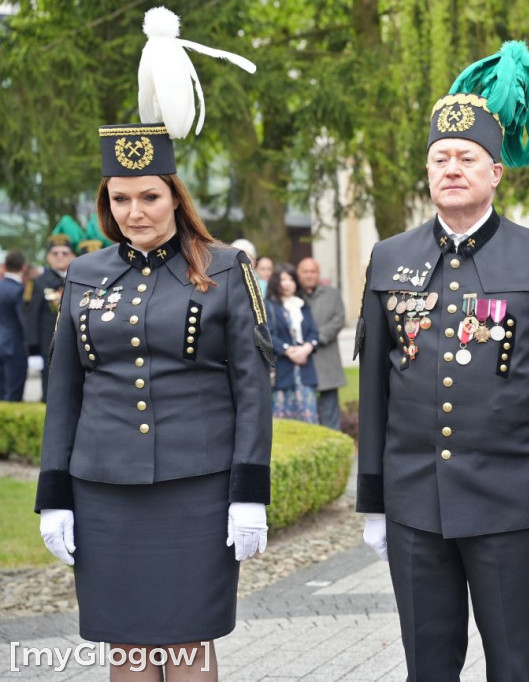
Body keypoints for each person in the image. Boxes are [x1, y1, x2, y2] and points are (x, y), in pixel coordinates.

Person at [34, 7, 267, 680]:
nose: (136, 212)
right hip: (104, 490)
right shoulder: (84, 273)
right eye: (122, 198)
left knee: (189, 646)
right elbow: (65, 390)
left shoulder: (224, 268)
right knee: (127, 648)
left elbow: (251, 385)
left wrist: (249, 490)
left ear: (175, 197)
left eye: (150, 197)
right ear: (107, 200)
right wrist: (54, 493)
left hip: (196, 490)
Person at [355, 41, 529, 681]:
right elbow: (374, 390)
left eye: (467, 158)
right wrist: (372, 499)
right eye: (440, 158)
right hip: (414, 507)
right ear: (427, 173)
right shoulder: (387, 259)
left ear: (496, 173)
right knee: (427, 668)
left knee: (514, 667)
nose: (451, 168)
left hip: (508, 507)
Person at [23, 217, 83, 401]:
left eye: (65, 253)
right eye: (55, 253)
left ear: (73, 256)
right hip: (49, 348)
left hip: (79, 346)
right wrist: (33, 351)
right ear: (48, 257)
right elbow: (30, 318)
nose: (60, 256)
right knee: (51, 394)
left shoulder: (81, 281)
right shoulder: (38, 283)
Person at [266, 263, 320, 424]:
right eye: (283, 279)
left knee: (309, 421)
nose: (287, 283)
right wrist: (289, 351)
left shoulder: (302, 305)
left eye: (291, 279)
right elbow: (268, 334)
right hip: (283, 370)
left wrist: (307, 348)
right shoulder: (269, 305)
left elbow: (313, 332)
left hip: (305, 370)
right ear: (276, 282)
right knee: (283, 422)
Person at [296, 257, 346, 429]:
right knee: (303, 414)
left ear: (318, 274)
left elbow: (338, 319)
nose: (309, 275)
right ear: (298, 274)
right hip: (300, 362)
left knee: (330, 411)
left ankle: (334, 450)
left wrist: (315, 339)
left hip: (326, 361)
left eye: (313, 271)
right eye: (305, 271)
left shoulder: (332, 295)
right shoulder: (292, 295)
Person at [0, 249, 28, 401]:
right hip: (14, 347)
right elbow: (24, 321)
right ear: (23, 267)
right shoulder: (18, 291)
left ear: (5, 266)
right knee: (13, 395)